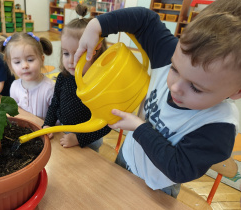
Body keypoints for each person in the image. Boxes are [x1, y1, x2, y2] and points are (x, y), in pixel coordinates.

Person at [74, 0, 241, 198]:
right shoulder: (171, 53)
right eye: (174, 69)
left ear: (237, 91)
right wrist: (96, 26)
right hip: (126, 158)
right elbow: (145, 20)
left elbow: (179, 169)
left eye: (196, 88)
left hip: (158, 188)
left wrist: (139, 127)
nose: (175, 87)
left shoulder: (219, 126)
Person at [43, 4, 111, 152]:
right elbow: (55, 103)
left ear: (96, 54)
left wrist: (79, 138)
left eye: (78, 54)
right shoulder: (63, 77)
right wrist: (48, 124)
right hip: (64, 132)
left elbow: (106, 124)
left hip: (89, 140)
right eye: (66, 53)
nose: (70, 60)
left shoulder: (100, 85)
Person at [0, 32, 54, 120]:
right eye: (17, 62)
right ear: (10, 65)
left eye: (30, 60)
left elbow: (58, 117)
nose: (24, 66)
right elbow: (15, 112)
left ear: (42, 60)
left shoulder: (50, 88)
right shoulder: (14, 86)